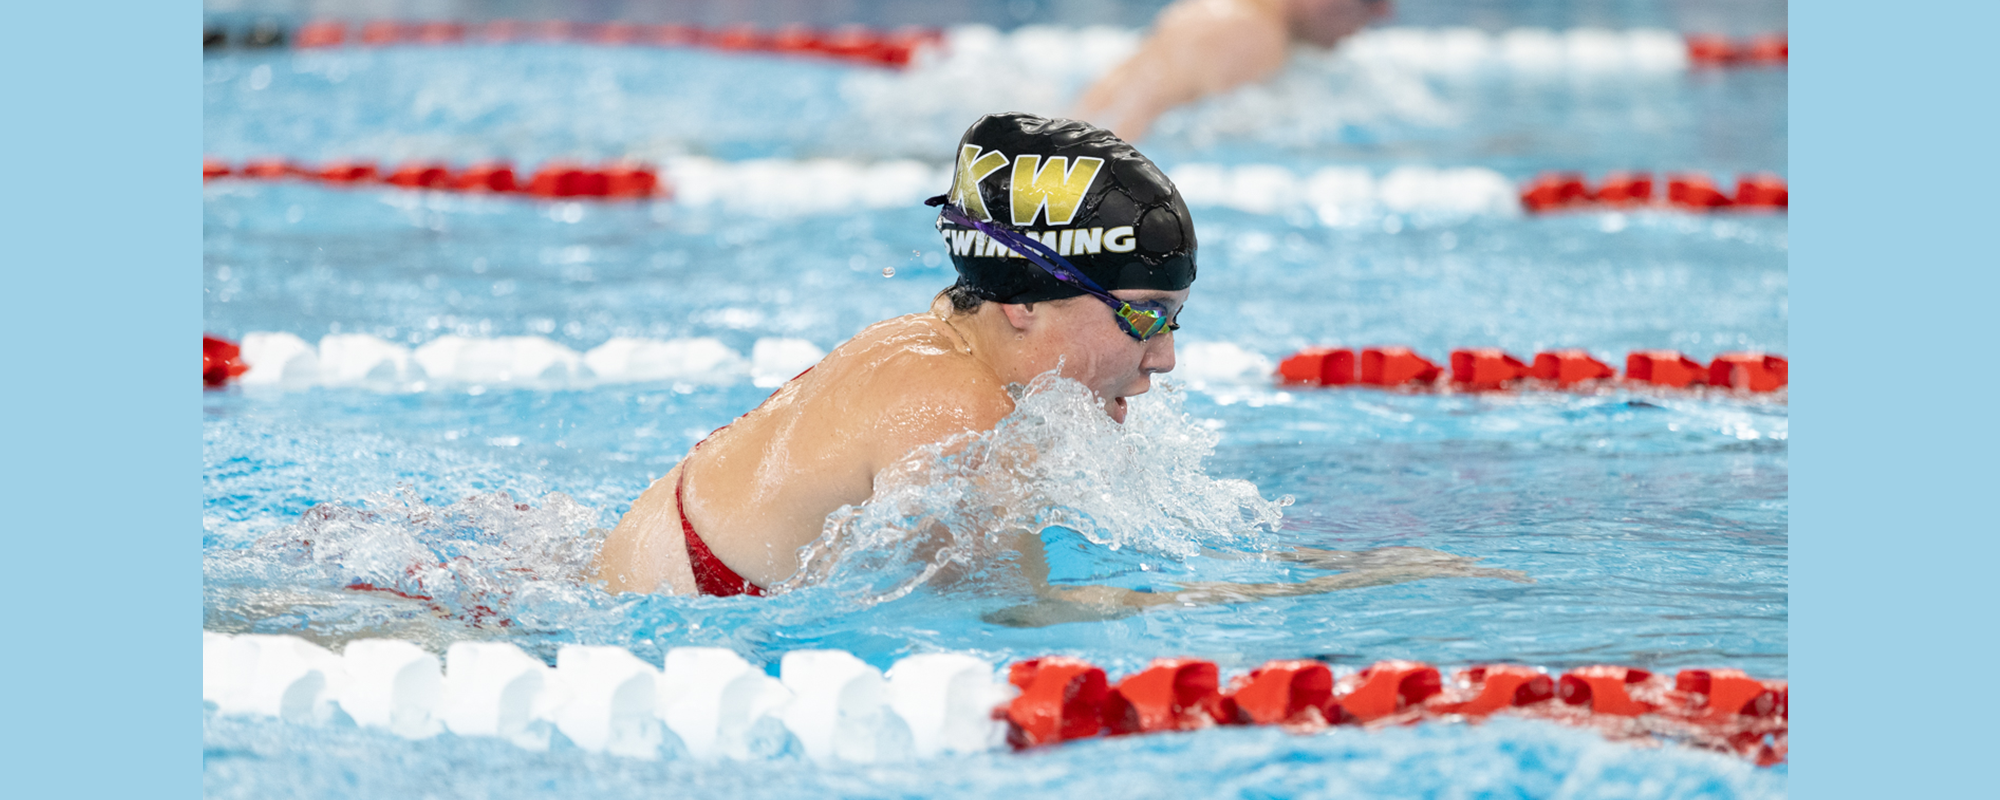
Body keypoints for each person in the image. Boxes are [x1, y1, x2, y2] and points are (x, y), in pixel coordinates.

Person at [592, 112, 1521, 618]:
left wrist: (1334, 559)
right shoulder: (955, 413)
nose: (1165, 358)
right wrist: (1334, 588)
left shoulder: (938, 342)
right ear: (1024, 303)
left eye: (1174, 321)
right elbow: (1009, 611)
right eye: (1143, 318)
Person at [1072, 0, 1392, 141]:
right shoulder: (1248, 35)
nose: (1384, 12)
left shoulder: (1241, 17)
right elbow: (1132, 125)